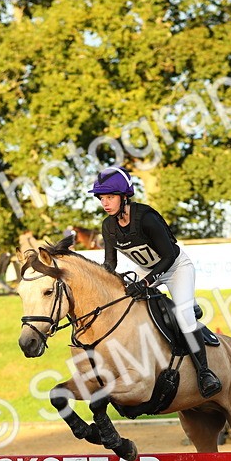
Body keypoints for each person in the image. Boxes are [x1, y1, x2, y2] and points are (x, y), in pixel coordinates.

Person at [90, 166, 222, 398]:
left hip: (175, 268)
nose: (105, 203)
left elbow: (170, 255)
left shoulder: (147, 218)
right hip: (145, 270)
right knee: (127, 308)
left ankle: (204, 372)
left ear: (124, 197)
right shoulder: (108, 226)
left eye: (110, 197)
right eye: (102, 198)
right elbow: (110, 264)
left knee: (182, 315)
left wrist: (148, 281)